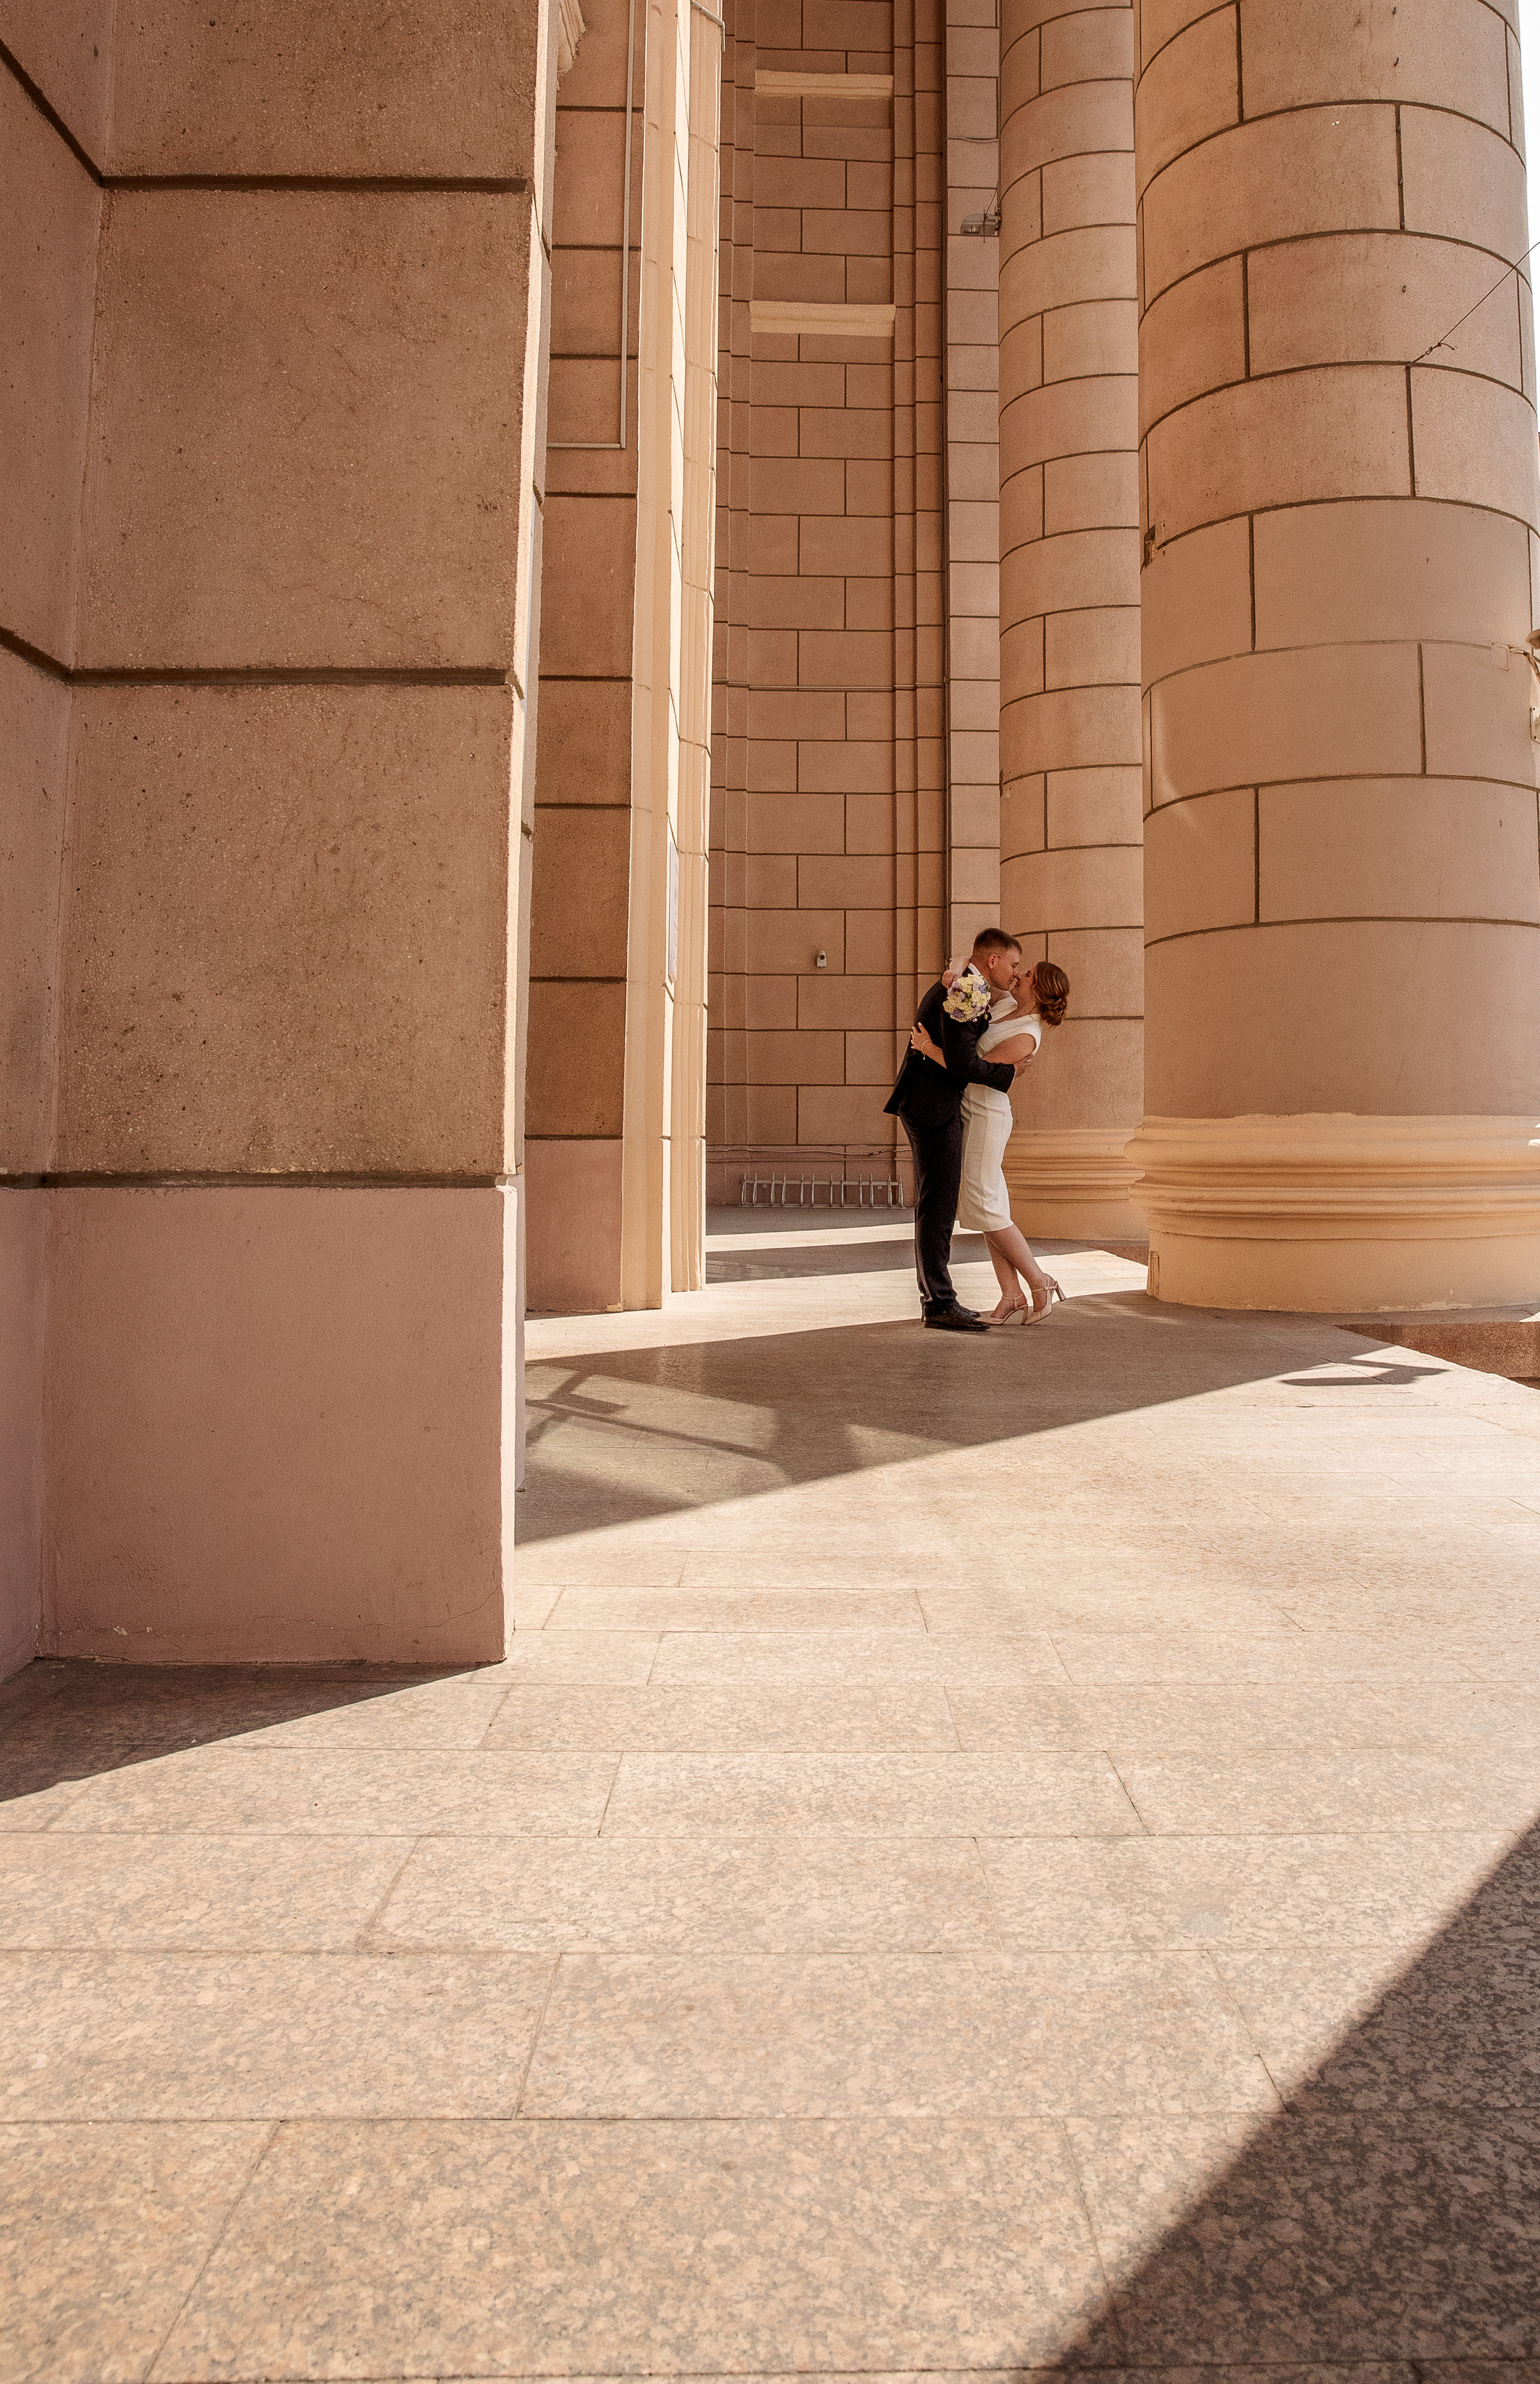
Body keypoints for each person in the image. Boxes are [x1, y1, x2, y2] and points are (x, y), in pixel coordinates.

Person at [884, 928, 1038, 1331]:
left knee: (939, 1205)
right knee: (938, 1207)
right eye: (1014, 964)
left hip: (935, 1103)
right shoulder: (968, 991)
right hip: (931, 1106)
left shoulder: (969, 985)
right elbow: (963, 1063)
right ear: (993, 961)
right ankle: (939, 1303)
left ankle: (939, 1298)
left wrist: (953, 967)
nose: (1015, 973)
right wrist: (1010, 1072)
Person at [909, 955, 1071, 1324]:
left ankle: (1039, 1281)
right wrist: (954, 973)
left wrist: (928, 1048)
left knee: (985, 1205)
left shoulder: (1027, 1034)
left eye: (1027, 974)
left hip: (987, 1117)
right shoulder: (1009, 1004)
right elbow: (975, 970)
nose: (1020, 974)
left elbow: (973, 1071)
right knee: (987, 1205)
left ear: (1041, 988)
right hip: (970, 1111)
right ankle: (1012, 1294)